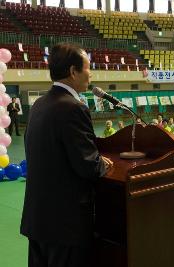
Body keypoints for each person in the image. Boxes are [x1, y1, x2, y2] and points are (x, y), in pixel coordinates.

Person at [21, 43, 114, 267]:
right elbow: (88, 165)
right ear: (73, 71)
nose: (91, 74)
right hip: (65, 225)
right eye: (88, 68)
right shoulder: (73, 107)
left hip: (39, 219)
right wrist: (102, 163)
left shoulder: (39, 104)